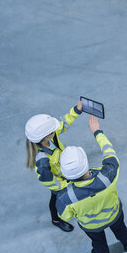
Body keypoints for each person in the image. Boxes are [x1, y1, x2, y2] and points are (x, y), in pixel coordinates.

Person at [57, 115, 127, 253]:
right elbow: (110, 153)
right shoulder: (108, 175)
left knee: (98, 243)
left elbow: (65, 216)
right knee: (121, 229)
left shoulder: (65, 197)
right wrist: (97, 132)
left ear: (65, 174)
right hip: (114, 214)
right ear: (86, 163)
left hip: (91, 226)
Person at [25, 99, 84, 232]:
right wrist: (65, 186)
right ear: (45, 137)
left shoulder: (50, 137)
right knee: (56, 198)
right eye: (53, 130)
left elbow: (64, 124)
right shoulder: (42, 160)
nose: (56, 130)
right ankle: (56, 219)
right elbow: (49, 182)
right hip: (60, 183)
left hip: (66, 175)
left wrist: (77, 110)